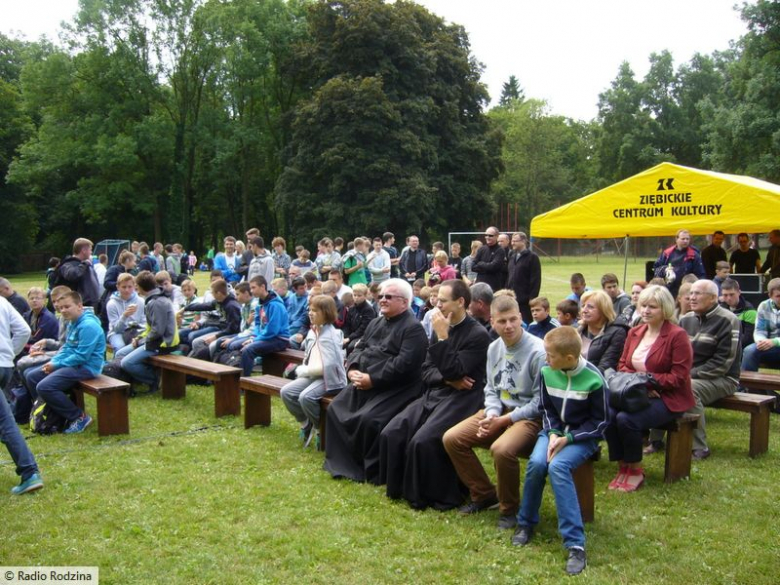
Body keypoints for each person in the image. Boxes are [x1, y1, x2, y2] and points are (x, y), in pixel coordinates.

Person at [380, 280, 490, 511]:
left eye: (443, 300)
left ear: (461, 302)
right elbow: (427, 371)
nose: (437, 305)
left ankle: (434, 495)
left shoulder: (477, 334)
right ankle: (400, 487)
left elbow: (456, 370)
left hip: (464, 399)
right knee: (393, 431)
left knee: (423, 441)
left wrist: (443, 338)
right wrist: (446, 379)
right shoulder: (442, 324)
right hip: (438, 392)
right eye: (437, 299)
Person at [512, 326, 608, 576]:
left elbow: (600, 422)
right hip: (553, 433)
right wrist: (554, 432)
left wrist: (569, 437)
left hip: (581, 438)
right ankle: (525, 523)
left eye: (550, 355)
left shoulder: (595, 378)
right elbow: (546, 409)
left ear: (569, 358)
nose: (546, 359)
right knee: (536, 464)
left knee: (558, 467)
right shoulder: (547, 371)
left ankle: (576, 544)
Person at [443, 295, 546, 528]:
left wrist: (505, 419)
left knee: (501, 450)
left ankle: (509, 510)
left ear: (521, 318)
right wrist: (491, 413)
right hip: (499, 411)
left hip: (528, 418)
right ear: (492, 321)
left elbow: (540, 403)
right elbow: (491, 387)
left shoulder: (538, 352)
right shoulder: (493, 348)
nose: (508, 326)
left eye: (512, 320)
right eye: (501, 321)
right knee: (453, 438)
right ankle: (484, 494)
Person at [324, 279, 427, 484]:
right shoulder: (375, 322)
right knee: (335, 407)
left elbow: (403, 364)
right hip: (364, 381)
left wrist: (373, 379)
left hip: (396, 387)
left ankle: (364, 468)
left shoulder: (413, 329)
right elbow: (359, 347)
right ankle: (342, 462)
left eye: (389, 297)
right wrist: (352, 369)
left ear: (405, 302)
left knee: (369, 419)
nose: (382, 300)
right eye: (381, 296)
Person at [605, 285, 694, 492]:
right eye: (643, 305)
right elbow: (623, 365)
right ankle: (623, 466)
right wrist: (642, 385)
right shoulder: (635, 332)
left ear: (665, 309)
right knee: (608, 415)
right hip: (637, 393)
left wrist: (647, 382)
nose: (645, 310)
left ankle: (635, 470)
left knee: (626, 420)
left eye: (652, 307)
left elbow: (679, 377)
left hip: (669, 397)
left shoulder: (677, 336)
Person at [649, 279, 741, 459]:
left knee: (689, 389)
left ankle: (699, 447)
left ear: (713, 298)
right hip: (689, 375)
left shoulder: (729, 320)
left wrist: (683, 376)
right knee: (661, 383)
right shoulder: (686, 319)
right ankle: (655, 440)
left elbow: (723, 363)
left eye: (697, 293)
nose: (691, 297)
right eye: (691, 293)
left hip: (723, 379)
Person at [24, 291, 105, 434]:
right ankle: (46, 413)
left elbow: (82, 356)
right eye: (60, 308)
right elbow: (67, 347)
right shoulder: (72, 322)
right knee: (31, 375)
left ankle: (78, 417)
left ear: (79, 306)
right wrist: (54, 361)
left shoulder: (88, 326)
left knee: (44, 386)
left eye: (67, 306)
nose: (63, 310)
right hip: (74, 364)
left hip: (87, 367)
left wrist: (56, 365)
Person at [280, 294, 347, 448]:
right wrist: (306, 368)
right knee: (286, 392)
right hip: (313, 375)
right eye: (310, 309)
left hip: (331, 379)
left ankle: (320, 428)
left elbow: (330, 366)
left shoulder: (331, 335)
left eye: (315, 311)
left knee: (306, 397)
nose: (310, 313)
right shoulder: (312, 331)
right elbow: (308, 354)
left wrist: (306, 370)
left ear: (326, 313)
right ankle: (305, 423)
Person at [0, 295, 43, 494]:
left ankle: (29, 471)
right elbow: (24, 330)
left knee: (5, 422)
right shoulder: (2, 301)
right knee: (4, 420)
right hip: (5, 366)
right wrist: (8, 354)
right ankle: (29, 472)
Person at [116, 271, 179, 392]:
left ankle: (154, 379)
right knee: (119, 353)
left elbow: (158, 331)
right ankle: (128, 382)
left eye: (136, 286)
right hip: (154, 341)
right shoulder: (152, 299)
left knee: (126, 363)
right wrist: (139, 338)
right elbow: (150, 328)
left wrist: (141, 342)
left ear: (142, 287)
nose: (135, 289)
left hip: (163, 344)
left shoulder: (157, 302)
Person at [238, 275, 290, 377]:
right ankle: (239, 379)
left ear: (262, 287)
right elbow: (258, 324)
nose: (251, 291)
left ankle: (243, 383)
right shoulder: (259, 304)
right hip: (267, 338)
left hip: (279, 339)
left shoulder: (275, 305)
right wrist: (253, 337)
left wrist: (254, 340)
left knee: (248, 350)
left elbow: (273, 330)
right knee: (241, 346)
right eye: (250, 288)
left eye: (253, 288)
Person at [578, 290, 628, 372]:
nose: (584, 310)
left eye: (590, 307)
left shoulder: (617, 332)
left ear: (603, 310)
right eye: (583, 306)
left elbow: (606, 366)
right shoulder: (577, 330)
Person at [653, 229, 706, 298]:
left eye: (687, 239)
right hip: (669, 290)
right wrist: (665, 270)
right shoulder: (667, 253)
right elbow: (656, 269)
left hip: (687, 291)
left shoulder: (694, 255)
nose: (685, 241)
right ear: (676, 239)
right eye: (683, 239)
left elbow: (701, 275)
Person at [742, 277, 780, 371]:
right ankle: (746, 385)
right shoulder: (764, 306)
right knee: (749, 351)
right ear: (770, 295)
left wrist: (774, 341)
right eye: (778, 296)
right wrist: (761, 341)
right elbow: (759, 330)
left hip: (775, 343)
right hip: (770, 346)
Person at [53, 238, 101, 308]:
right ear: (84, 250)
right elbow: (72, 275)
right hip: (80, 305)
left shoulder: (87, 264)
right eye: (90, 250)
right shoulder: (67, 265)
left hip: (93, 305)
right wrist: (85, 264)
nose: (91, 252)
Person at [105, 273, 147, 352]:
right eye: (123, 287)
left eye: (129, 287)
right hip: (117, 333)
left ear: (134, 287)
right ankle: (116, 364)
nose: (127, 290)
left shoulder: (140, 301)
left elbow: (144, 322)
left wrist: (139, 337)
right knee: (121, 347)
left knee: (142, 345)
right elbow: (117, 329)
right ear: (118, 287)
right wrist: (125, 316)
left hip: (135, 331)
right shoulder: (112, 304)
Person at [507, 232, 541, 324]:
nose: (512, 243)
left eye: (515, 241)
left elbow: (536, 279)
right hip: (511, 298)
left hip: (524, 300)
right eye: (512, 241)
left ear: (523, 242)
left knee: (525, 324)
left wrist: (532, 298)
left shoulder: (532, 257)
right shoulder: (511, 256)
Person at [719, 278, 757, 350]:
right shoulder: (720, 309)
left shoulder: (750, 311)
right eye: (725, 295)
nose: (729, 298)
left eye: (732, 294)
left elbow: (748, 339)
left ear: (739, 292)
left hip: (741, 348)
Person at [23, 287, 58, 354]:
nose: (34, 300)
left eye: (38, 298)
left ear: (44, 300)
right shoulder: (26, 316)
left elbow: (37, 338)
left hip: (47, 350)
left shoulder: (48, 318)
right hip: (31, 348)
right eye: (31, 298)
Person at [472, 227, 507, 293]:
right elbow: (473, 267)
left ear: (497, 236)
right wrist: (487, 268)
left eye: (490, 235)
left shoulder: (500, 250)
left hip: (493, 287)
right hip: (480, 286)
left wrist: (480, 263)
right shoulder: (482, 249)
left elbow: (493, 267)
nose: (487, 237)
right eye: (486, 235)